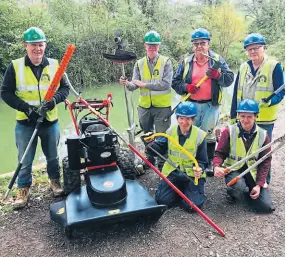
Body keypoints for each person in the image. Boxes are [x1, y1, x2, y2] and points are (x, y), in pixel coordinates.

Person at [1, 27, 70, 209]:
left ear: (45, 45)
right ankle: (23, 190)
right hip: (26, 122)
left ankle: (55, 182)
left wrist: (54, 100)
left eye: (40, 45)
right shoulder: (15, 67)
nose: (37, 49)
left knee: (53, 156)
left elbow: (65, 89)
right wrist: (26, 108)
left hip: (50, 121)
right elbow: (6, 93)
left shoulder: (55, 65)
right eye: (33, 45)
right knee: (24, 158)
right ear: (26, 46)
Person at [172, 28, 234, 177]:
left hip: (210, 105)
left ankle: (208, 163)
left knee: (209, 134)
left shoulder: (217, 60)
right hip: (191, 105)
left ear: (208, 44)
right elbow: (175, 82)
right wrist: (186, 87)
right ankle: (191, 161)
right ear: (192, 46)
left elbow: (230, 79)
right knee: (190, 132)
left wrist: (218, 75)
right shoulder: (186, 62)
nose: (199, 47)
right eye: (196, 44)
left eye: (203, 43)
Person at [230, 33, 285, 184]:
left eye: (256, 48)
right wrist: (233, 115)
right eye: (249, 49)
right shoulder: (243, 67)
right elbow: (235, 94)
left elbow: (281, 92)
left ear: (264, 48)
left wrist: (271, 101)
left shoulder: (274, 66)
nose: (253, 51)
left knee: (263, 151)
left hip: (264, 118)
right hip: (244, 118)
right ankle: (244, 180)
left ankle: (263, 182)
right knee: (243, 149)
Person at [119, 30, 173, 172]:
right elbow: (133, 86)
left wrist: (145, 85)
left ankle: (163, 163)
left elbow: (166, 84)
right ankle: (150, 159)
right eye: (150, 46)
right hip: (144, 107)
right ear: (145, 46)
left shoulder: (166, 62)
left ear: (159, 46)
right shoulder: (139, 64)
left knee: (162, 136)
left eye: (155, 46)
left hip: (162, 107)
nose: (152, 48)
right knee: (147, 135)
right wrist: (127, 83)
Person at [213, 99, 274, 213]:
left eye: (249, 117)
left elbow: (265, 162)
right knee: (238, 186)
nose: (245, 120)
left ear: (256, 116)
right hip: (234, 169)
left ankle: (249, 190)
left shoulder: (263, 135)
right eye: (242, 116)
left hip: (252, 171)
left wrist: (259, 185)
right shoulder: (229, 132)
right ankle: (235, 192)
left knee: (266, 208)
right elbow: (219, 153)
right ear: (238, 116)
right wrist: (216, 166)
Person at [145, 101, 208, 211]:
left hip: (191, 174)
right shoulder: (170, 131)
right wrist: (150, 145)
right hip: (172, 171)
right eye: (181, 118)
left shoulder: (200, 135)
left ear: (193, 119)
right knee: (162, 201)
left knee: (192, 207)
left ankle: (187, 190)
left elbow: (203, 161)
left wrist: (200, 169)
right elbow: (159, 148)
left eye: (188, 119)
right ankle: (180, 190)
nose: (184, 122)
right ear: (177, 118)